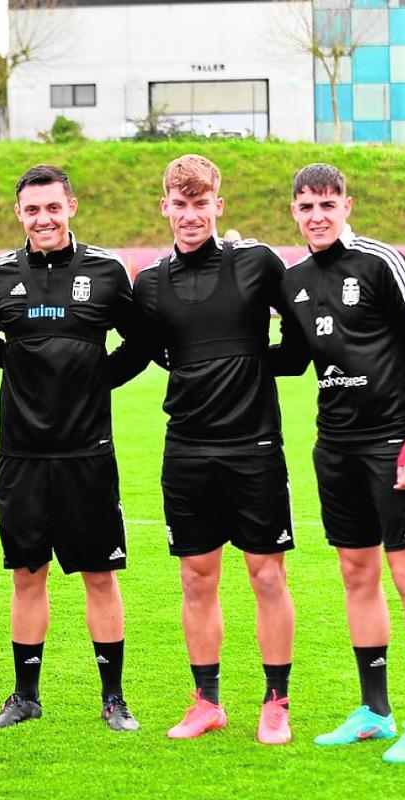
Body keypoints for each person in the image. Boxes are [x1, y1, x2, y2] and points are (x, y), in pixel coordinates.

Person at [0, 165, 146, 732]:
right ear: (18, 213)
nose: (43, 218)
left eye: (52, 207)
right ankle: (25, 696)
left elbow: (142, 343)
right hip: (21, 453)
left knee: (99, 574)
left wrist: (96, 379)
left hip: (87, 452)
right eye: (31, 210)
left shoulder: (105, 271)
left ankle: (114, 698)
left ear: (71, 205)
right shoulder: (0, 276)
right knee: (27, 573)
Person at [110, 154, 299, 744]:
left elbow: (297, 347)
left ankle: (276, 702)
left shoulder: (257, 263)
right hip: (186, 449)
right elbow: (143, 354)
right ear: (164, 206)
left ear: (219, 204)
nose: (190, 215)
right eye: (179, 203)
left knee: (266, 576)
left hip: (255, 446)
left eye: (201, 203)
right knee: (196, 578)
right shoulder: (150, 284)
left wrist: (244, 364)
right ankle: (207, 701)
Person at [275, 162, 405, 764]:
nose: (317, 216)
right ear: (293, 212)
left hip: (391, 445)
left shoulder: (381, 262)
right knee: (356, 574)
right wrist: (203, 353)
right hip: (335, 447)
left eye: (327, 204)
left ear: (347, 205)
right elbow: (292, 360)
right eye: (305, 206)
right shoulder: (293, 280)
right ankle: (375, 710)